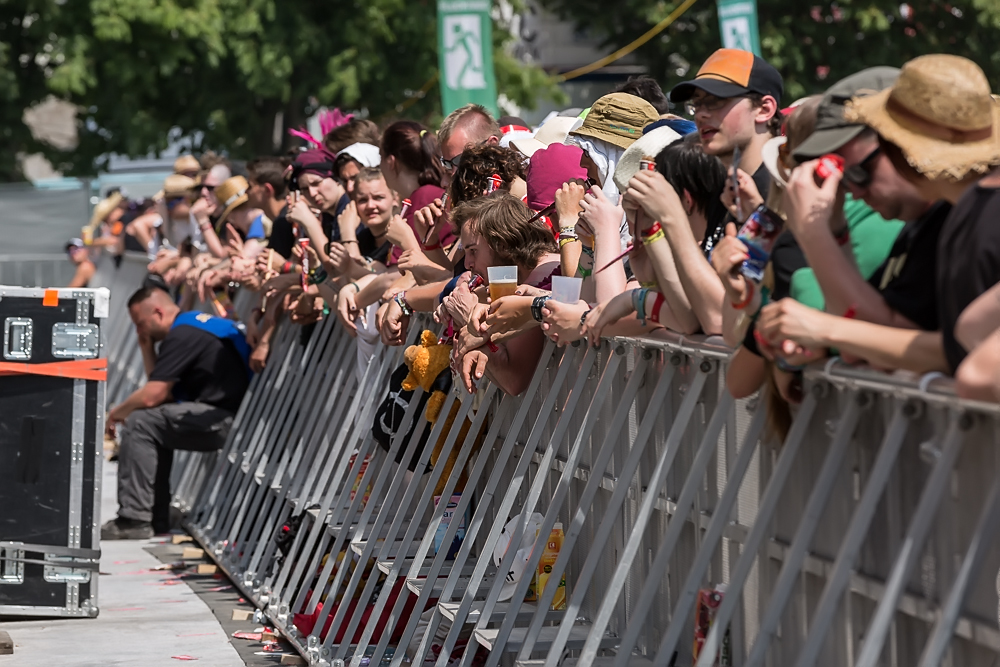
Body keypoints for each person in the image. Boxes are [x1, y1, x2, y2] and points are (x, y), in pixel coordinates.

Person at [758, 54, 1000, 376]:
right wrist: (833, 230)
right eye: (843, 179)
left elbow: (940, 352)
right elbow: (862, 342)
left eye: (857, 173)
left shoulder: (972, 214)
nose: (854, 192)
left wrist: (813, 232)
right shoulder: (934, 222)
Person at [103, 286, 251, 538]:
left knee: (140, 423)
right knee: (150, 421)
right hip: (235, 417)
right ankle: (155, 517)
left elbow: (153, 395)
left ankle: (134, 519)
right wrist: (146, 347)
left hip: (227, 422)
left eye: (140, 324)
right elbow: (159, 390)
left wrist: (116, 413)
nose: (139, 331)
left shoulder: (181, 335)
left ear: (158, 312)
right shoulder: (191, 325)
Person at [669, 48, 783, 230]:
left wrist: (669, 219)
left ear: (764, 109)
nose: (700, 114)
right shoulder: (725, 191)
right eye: (696, 104)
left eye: (716, 101)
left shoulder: (786, 190)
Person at [437, 104, 502, 182]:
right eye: (447, 164)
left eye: (461, 160)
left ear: (492, 145)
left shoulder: (513, 188)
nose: (453, 173)